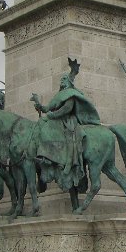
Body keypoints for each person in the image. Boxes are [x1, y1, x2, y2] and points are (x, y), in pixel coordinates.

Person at [30, 58, 101, 190]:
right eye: (61, 80)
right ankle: (46, 156)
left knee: (64, 134)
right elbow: (47, 108)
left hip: (68, 120)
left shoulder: (70, 94)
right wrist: (39, 104)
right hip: (56, 119)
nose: (61, 82)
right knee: (42, 125)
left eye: (63, 80)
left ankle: (67, 162)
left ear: (68, 81)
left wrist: (53, 115)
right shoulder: (59, 95)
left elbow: (67, 109)